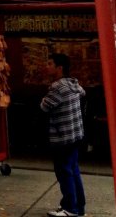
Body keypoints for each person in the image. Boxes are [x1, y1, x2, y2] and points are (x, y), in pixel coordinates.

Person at [41, 53, 86, 217]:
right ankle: (78, 208)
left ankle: (70, 209)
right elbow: (83, 93)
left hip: (63, 137)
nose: (47, 66)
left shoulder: (57, 87)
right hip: (76, 134)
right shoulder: (74, 84)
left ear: (59, 68)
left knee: (64, 172)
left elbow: (44, 106)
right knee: (73, 170)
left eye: (50, 63)